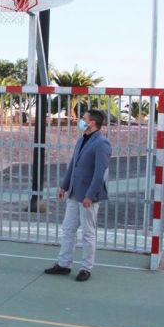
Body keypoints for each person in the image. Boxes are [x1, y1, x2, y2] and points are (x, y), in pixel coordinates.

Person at [44, 109, 111, 282]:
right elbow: (73, 165)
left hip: (88, 196)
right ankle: (64, 264)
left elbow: (99, 173)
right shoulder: (82, 140)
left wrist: (90, 195)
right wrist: (64, 186)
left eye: (84, 119)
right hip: (74, 192)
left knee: (88, 233)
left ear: (92, 123)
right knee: (68, 229)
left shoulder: (101, 143)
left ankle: (86, 268)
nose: (80, 121)